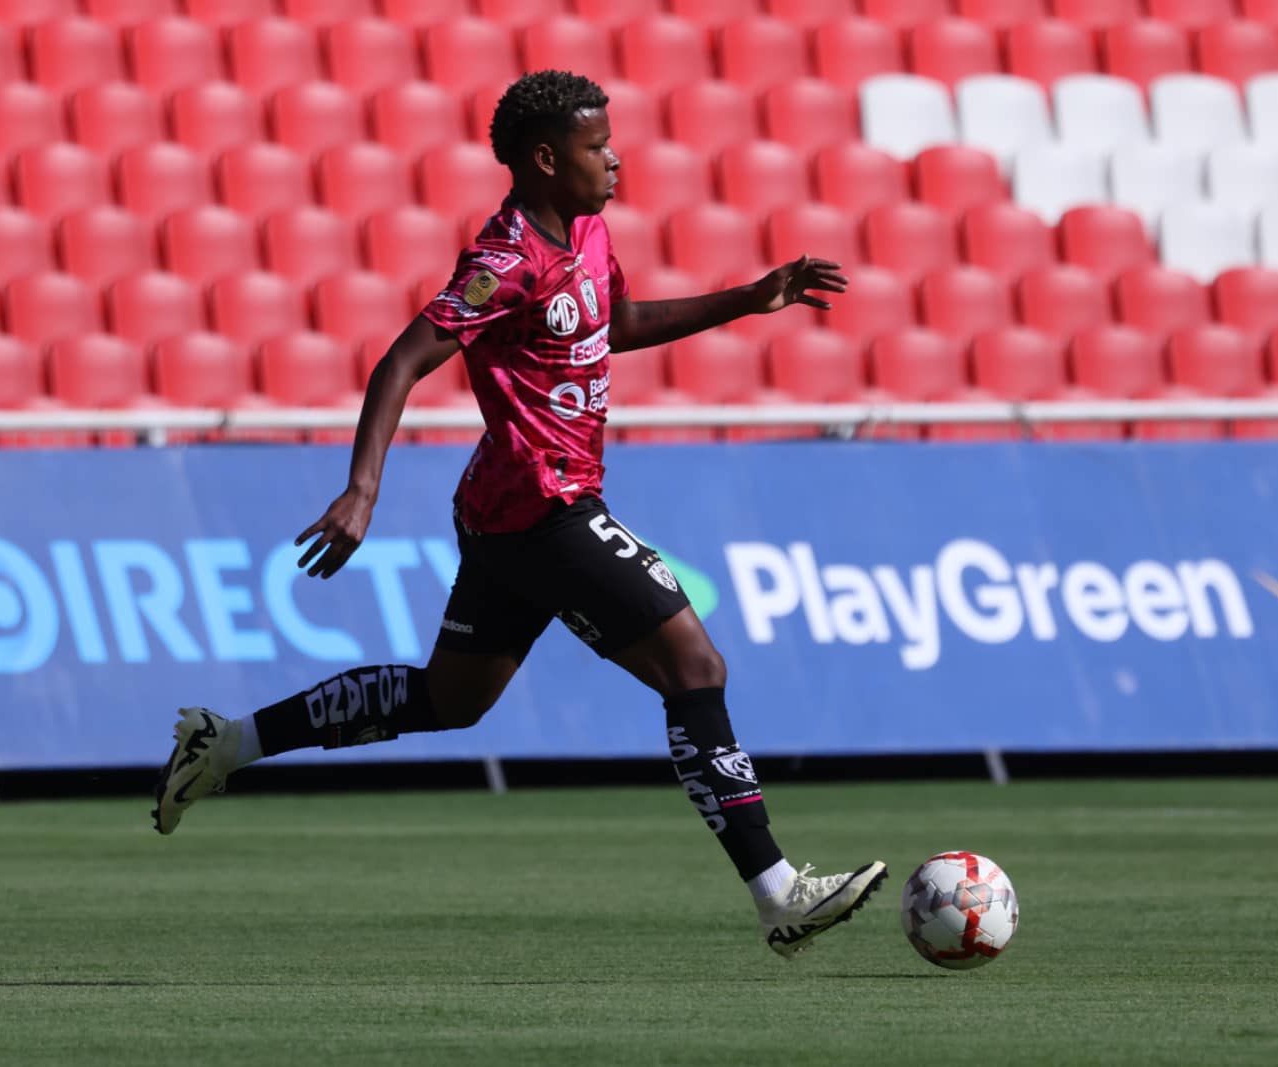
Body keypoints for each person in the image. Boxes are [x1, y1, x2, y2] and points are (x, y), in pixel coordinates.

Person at [152, 70, 886, 959]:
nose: (614, 158)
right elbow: (402, 360)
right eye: (594, 147)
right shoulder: (503, 261)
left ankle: (226, 743)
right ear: (544, 159)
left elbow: (611, 322)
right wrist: (363, 489)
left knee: (449, 699)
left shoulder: (585, 227)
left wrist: (745, 297)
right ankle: (779, 893)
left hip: (505, 509)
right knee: (695, 664)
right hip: (546, 503)